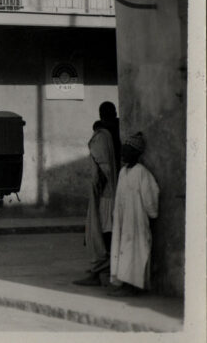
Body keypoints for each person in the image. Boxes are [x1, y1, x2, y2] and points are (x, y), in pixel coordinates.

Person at [74, 102, 120, 287]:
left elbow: (104, 167)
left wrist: (99, 188)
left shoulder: (102, 136)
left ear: (101, 115)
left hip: (106, 192)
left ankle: (101, 270)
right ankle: (103, 270)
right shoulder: (117, 130)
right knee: (108, 229)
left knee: (102, 230)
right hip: (115, 188)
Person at [108, 131, 159, 297]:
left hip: (136, 220)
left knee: (134, 250)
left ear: (136, 152)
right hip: (123, 220)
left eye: (127, 150)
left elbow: (151, 196)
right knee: (122, 248)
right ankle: (123, 281)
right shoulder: (123, 172)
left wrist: (152, 213)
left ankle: (132, 285)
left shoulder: (142, 173)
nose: (123, 153)